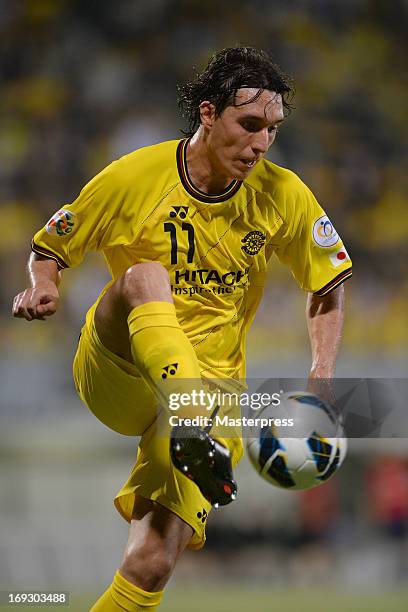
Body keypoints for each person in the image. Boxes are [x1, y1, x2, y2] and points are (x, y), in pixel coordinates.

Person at [12, 47, 352, 611]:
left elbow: (328, 285)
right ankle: (191, 425)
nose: (262, 143)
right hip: (121, 368)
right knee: (146, 275)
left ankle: (193, 427)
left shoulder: (284, 195)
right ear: (208, 113)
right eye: (249, 124)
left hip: (212, 389)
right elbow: (50, 245)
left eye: (272, 129)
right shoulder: (135, 176)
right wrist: (44, 285)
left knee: (149, 568)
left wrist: (321, 376)